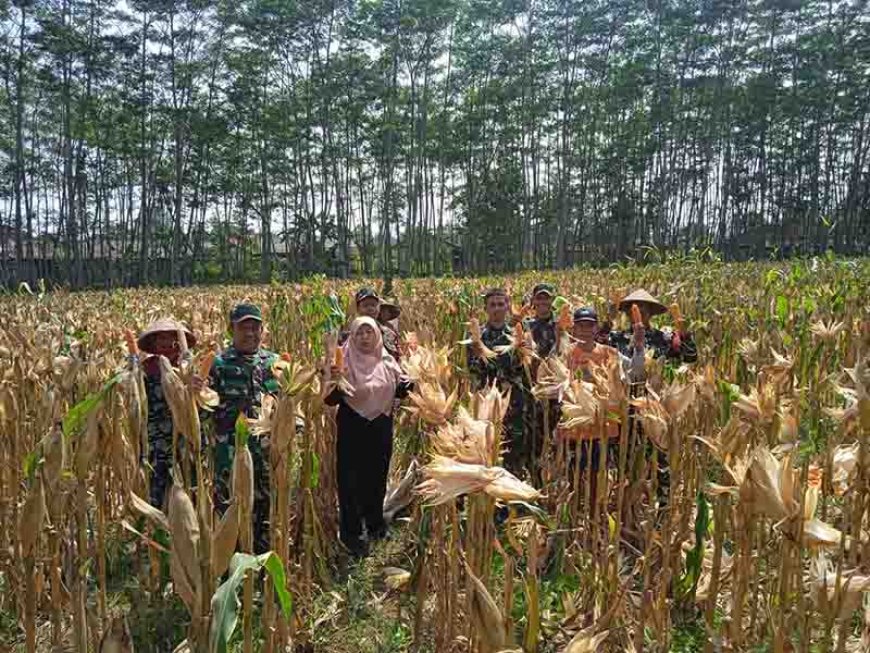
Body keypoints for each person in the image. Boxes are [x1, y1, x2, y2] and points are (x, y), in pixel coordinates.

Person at [325, 316, 413, 558]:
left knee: (377, 475)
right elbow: (329, 399)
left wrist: (411, 382)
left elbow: (401, 389)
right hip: (353, 425)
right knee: (350, 479)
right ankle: (352, 533)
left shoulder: (387, 361)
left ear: (377, 335)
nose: (365, 338)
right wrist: (334, 381)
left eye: (369, 332)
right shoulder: (342, 361)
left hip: (381, 425)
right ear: (352, 336)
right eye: (360, 333)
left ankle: (375, 524)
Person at [202, 303, 278, 554]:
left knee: (266, 505)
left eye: (255, 327)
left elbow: (288, 407)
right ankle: (230, 562)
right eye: (243, 327)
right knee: (230, 505)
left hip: (266, 454)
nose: (250, 333)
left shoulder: (274, 363)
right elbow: (204, 406)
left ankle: (261, 561)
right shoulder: (219, 364)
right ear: (231, 329)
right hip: (230, 453)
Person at [563, 308, 645, 476]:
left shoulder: (610, 353)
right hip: (575, 425)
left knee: (597, 477)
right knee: (574, 478)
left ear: (596, 328)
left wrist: (638, 347)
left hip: (604, 426)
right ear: (574, 329)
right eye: (581, 326)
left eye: (589, 325)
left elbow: (636, 372)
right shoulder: (565, 353)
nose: (585, 330)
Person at [466, 288, 527, 475]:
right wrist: (479, 354)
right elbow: (473, 370)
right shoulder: (475, 338)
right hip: (486, 405)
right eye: (492, 305)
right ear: (486, 308)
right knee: (486, 453)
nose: (497, 308)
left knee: (513, 454)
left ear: (508, 306)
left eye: (501, 304)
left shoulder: (518, 336)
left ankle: (512, 500)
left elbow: (522, 368)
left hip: (513, 406)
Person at [137, 318, 197, 508]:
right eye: (161, 339)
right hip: (156, 448)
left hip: (186, 446)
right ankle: (159, 535)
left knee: (189, 497)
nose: (167, 343)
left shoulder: (191, 370)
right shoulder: (144, 371)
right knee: (158, 498)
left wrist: (196, 388)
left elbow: (203, 409)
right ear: (154, 343)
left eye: (172, 338)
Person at [599, 289, 697, 364]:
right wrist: (608, 322)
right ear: (627, 313)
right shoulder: (617, 338)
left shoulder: (664, 339)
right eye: (633, 307)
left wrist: (685, 335)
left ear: (651, 312)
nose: (637, 310)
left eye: (642, 306)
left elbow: (690, 358)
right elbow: (596, 346)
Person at [341, 288, 401, 362]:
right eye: (365, 306)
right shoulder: (349, 336)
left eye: (373, 305)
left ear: (378, 308)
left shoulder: (388, 334)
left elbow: (394, 359)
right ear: (358, 309)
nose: (370, 309)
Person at [523, 283, 558, 358]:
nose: (542, 302)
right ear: (533, 300)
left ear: (552, 300)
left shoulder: (561, 323)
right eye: (539, 298)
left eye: (546, 298)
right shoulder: (526, 324)